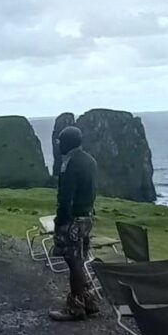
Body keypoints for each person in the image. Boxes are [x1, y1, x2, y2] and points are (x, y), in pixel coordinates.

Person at [49, 125, 100, 321]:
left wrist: (61, 220)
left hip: (73, 220)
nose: (59, 145)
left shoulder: (69, 164)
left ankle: (75, 306)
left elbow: (65, 197)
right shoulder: (90, 161)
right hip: (87, 218)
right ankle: (89, 301)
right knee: (79, 259)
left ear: (67, 142)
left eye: (61, 141)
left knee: (73, 261)